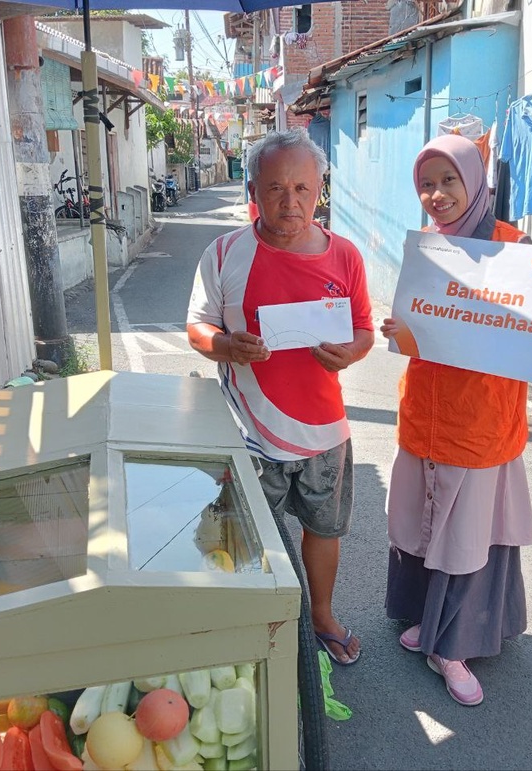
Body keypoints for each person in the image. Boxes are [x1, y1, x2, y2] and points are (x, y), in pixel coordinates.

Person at [381, 134, 532, 705]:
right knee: (423, 526)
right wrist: (398, 329)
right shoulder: (427, 248)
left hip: (480, 423)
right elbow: (419, 328)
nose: (436, 194)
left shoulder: (516, 249)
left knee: (465, 536)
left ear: (475, 182)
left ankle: (449, 646)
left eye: (448, 181)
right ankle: (428, 625)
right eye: (426, 183)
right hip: (423, 416)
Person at [187, 128, 374, 665]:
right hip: (248, 432)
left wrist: (353, 352)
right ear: (252, 189)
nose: (289, 202)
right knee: (242, 534)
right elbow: (197, 326)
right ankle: (248, 624)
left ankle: (321, 616)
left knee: (324, 529)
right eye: (274, 189)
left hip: (323, 430)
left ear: (320, 190)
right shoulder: (224, 254)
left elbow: (362, 330)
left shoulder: (347, 258)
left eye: (301, 189)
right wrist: (224, 344)